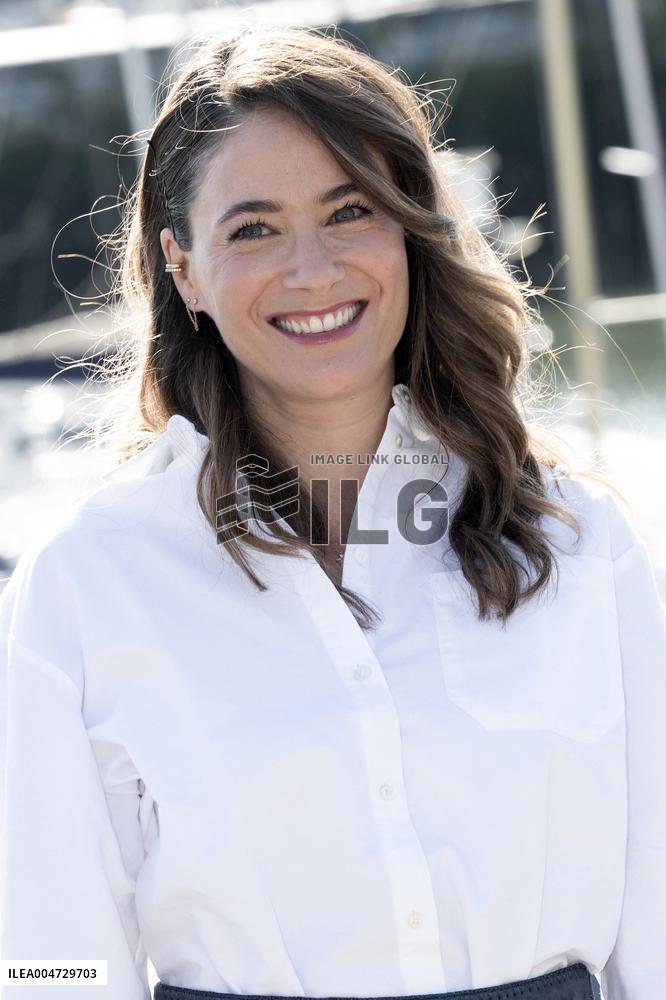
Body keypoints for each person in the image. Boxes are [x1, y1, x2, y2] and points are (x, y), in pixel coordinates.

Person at [1, 23, 664, 1000]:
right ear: (183, 268)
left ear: (409, 229)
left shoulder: (579, 542)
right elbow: (44, 959)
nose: (311, 270)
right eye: (254, 228)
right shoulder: (91, 580)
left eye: (349, 211)